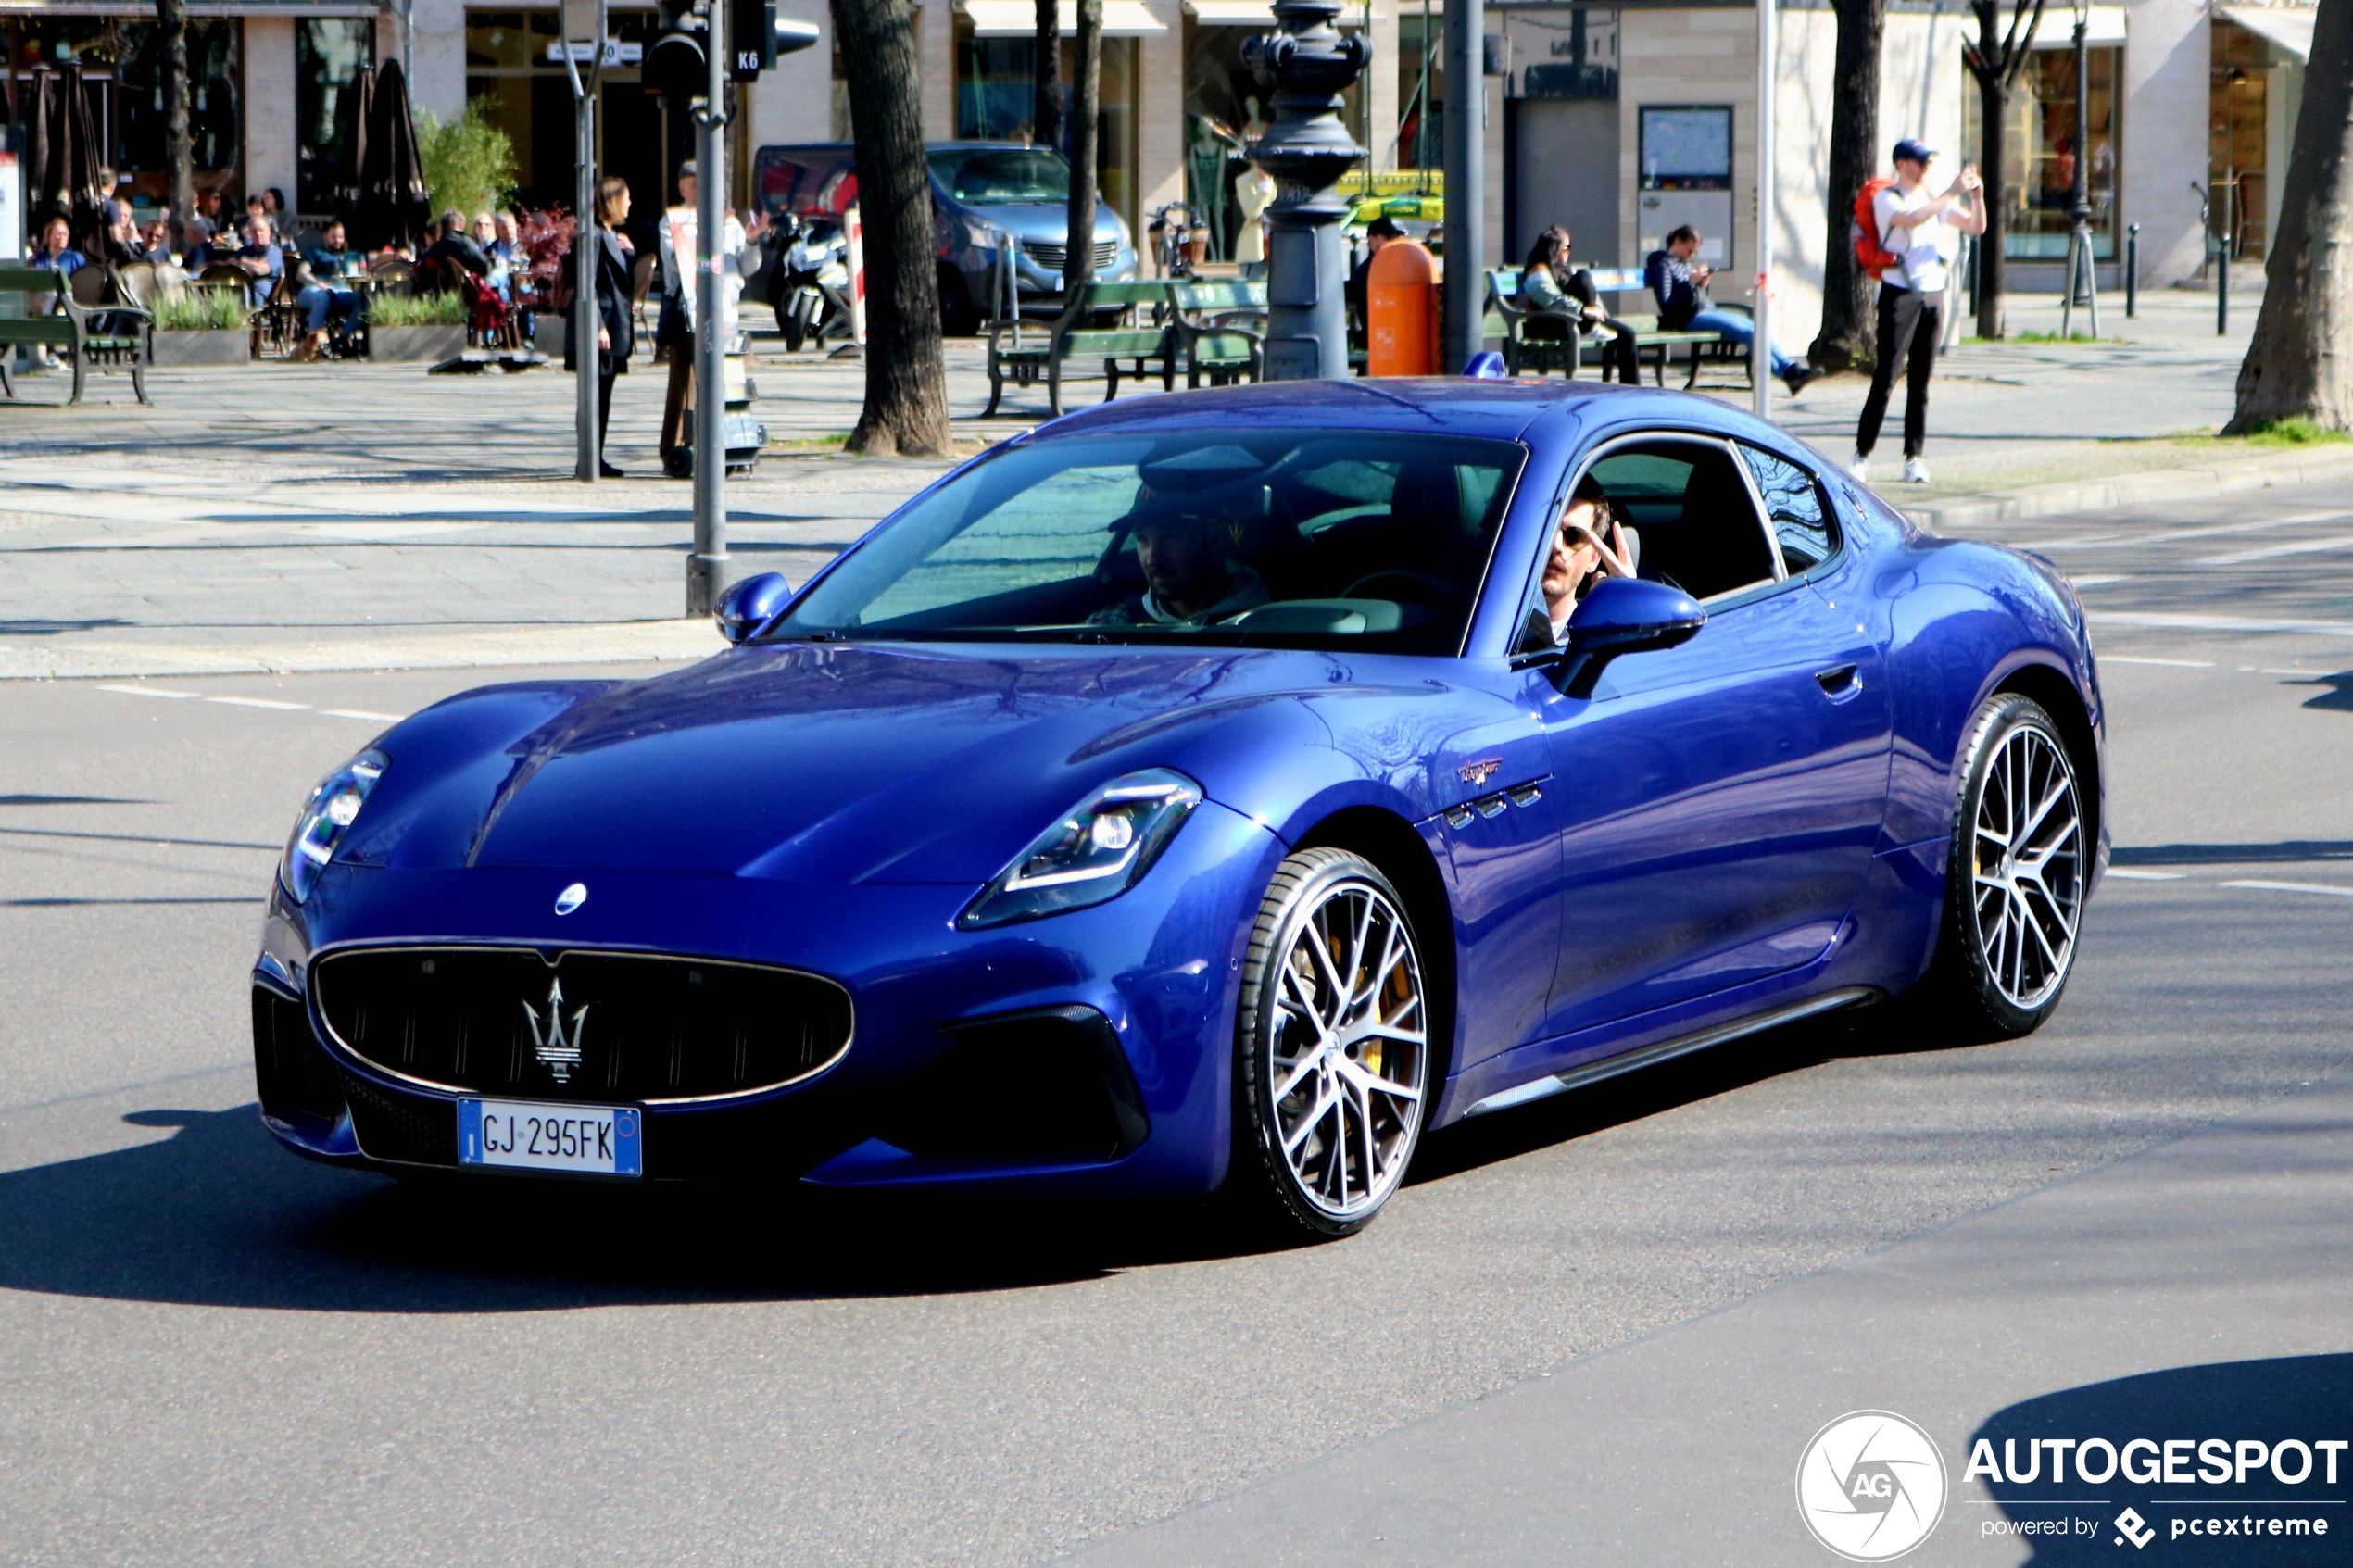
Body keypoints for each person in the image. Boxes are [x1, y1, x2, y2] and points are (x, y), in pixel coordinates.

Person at [1852, 137, 1986, 485]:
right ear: (1901, 164)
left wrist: (1976, 196)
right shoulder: (1887, 198)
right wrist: (1952, 190)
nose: (1925, 166)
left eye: (1928, 161)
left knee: (1921, 382)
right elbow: (1910, 221)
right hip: (1900, 293)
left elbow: (1975, 226)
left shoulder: (1931, 196)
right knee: (1887, 376)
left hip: (1932, 293)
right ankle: (1862, 455)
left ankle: (1914, 458)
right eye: (1919, 161)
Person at [657, 162, 761, 477]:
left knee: (727, 379)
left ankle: (731, 444)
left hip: (726, 310)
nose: (700, 190)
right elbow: (679, 260)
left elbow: (748, 265)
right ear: (682, 188)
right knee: (684, 381)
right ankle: (673, 448)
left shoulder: (730, 225)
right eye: (693, 184)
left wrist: (753, 241)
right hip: (688, 311)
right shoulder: (672, 222)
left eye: (705, 183)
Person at [1643, 225, 1817, 395]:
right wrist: (1691, 283)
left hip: (1704, 310)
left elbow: (1693, 294)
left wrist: (1703, 284)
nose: (1692, 255)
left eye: (1694, 252)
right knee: (1745, 332)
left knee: (1754, 327)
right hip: (1685, 317)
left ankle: (1791, 368)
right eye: (1690, 250)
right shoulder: (1662, 265)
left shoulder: (1685, 264)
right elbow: (1667, 303)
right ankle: (1787, 375)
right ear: (1678, 242)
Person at [1090, 508, 1272, 627]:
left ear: (1215, 538)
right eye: (1142, 539)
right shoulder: (1112, 622)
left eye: (1170, 537)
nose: (1152, 559)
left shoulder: (1273, 625)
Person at [565, 177, 635, 479]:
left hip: (611, 324)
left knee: (602, 396)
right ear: (613, 202)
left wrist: (629, 252)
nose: (630, 204)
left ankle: (595, 455)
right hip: (602, 325)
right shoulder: (594, 235)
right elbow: (587, 283)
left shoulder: (608, 234)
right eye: (626, 199)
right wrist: (598, 326)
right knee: (595, 396)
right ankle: (590, 457)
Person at [1518, 226, 1642, 386]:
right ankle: (1593, 326)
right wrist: (1584, 310)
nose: (1570, 251)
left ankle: (1632, 391)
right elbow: (1551, 299)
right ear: (1555, 249)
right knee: (1583, 276)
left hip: (1576, 319)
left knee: (1627, 335)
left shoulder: (1565, 269)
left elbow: (1590, 296)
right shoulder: (1538, 270)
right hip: (1548, 323)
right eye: (1567, 247)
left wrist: (1601, 315)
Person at [1541, 476, 1638, 643]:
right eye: (1546, 530)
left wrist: (1626, 607)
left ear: (1593, 558)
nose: (1556, 546)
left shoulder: (1598, 637)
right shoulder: (1482, 616)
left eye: (1574, 536)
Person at [296, 220, 369, 359]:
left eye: (340, 237)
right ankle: (313, 343)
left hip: (340, 292)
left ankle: (342, 338)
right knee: (322, 297)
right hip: (312, 290)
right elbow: (302, 274)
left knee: (363, 299)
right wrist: (319, 283)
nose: (338, 241)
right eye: (334, 237)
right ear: (326, 236)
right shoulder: (314, 252)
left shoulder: (349, 255)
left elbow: (373, 258)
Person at [1345, 215, 1404, 331]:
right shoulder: (1369, 270)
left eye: (1396, 238)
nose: (1394, 242)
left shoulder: (1398, 264)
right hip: (1379, 333)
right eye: (1389, 238)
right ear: (1373, 240)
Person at [418, 208, 492, 287]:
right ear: (460, 225)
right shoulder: (464, 242)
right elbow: (485, 266)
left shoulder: (435, 248)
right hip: (470, 291)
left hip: (444, 292)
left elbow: (421, 267)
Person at [231, 215, 286, 307]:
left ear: (269, 231)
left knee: (234, 301)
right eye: (254, 231)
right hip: (240, 289)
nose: (258, 234)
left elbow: (260, 270)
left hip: (257, 294)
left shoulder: (275, 252)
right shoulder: (246, 250)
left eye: (261, 230)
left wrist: (244, 261)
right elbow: (230, 263)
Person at [1233, 160, 1276, 279]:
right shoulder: (1244, 181)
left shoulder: (1282, 179)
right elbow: (1252, 213)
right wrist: (1264, 186)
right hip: (1256, 247)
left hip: (1280, 245)